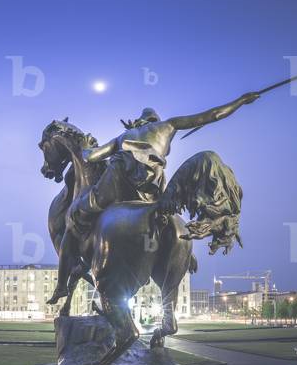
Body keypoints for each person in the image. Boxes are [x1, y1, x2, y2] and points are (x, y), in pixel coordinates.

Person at [47, 92, 259, 304]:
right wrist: (241, 101)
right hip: (151, 190)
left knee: (74, 216)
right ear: (155, 121)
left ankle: (62, 284)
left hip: (116, 184)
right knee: (165, 211)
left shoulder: (124, 137)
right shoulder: (168, 126)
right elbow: (213, 115)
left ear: (138, 122)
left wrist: (83, 147)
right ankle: (182, 253)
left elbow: (90, 157)